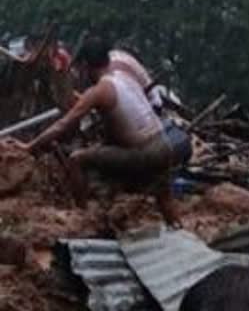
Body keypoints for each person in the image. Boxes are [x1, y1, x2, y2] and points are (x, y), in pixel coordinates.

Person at [15, 37, 181, 226]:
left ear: (85, 65)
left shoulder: (100, 90)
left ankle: (82, 217)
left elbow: (63, 125)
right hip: (164, 145)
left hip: (143, 153)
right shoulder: (124, 77)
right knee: (164, 196)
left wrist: (29, 146)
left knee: (76, 159)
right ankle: (178, 228)